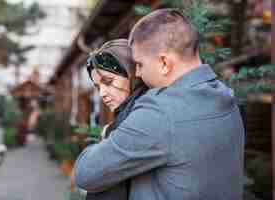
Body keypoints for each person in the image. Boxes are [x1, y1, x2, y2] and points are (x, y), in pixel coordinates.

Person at [74, 9, 245, 200]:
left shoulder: (160, 113)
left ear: (164, 62)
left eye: (139, 64)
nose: (137, 73)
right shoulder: (226, 98)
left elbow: (85, 173)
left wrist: (107, 135)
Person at [73, 39, 148, 200]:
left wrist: (107, 134)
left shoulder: (141, 118)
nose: (102, 94)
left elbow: (89, 176)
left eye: (108, 81)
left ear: (133, 73)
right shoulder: (130, 112)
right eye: (98, 87)